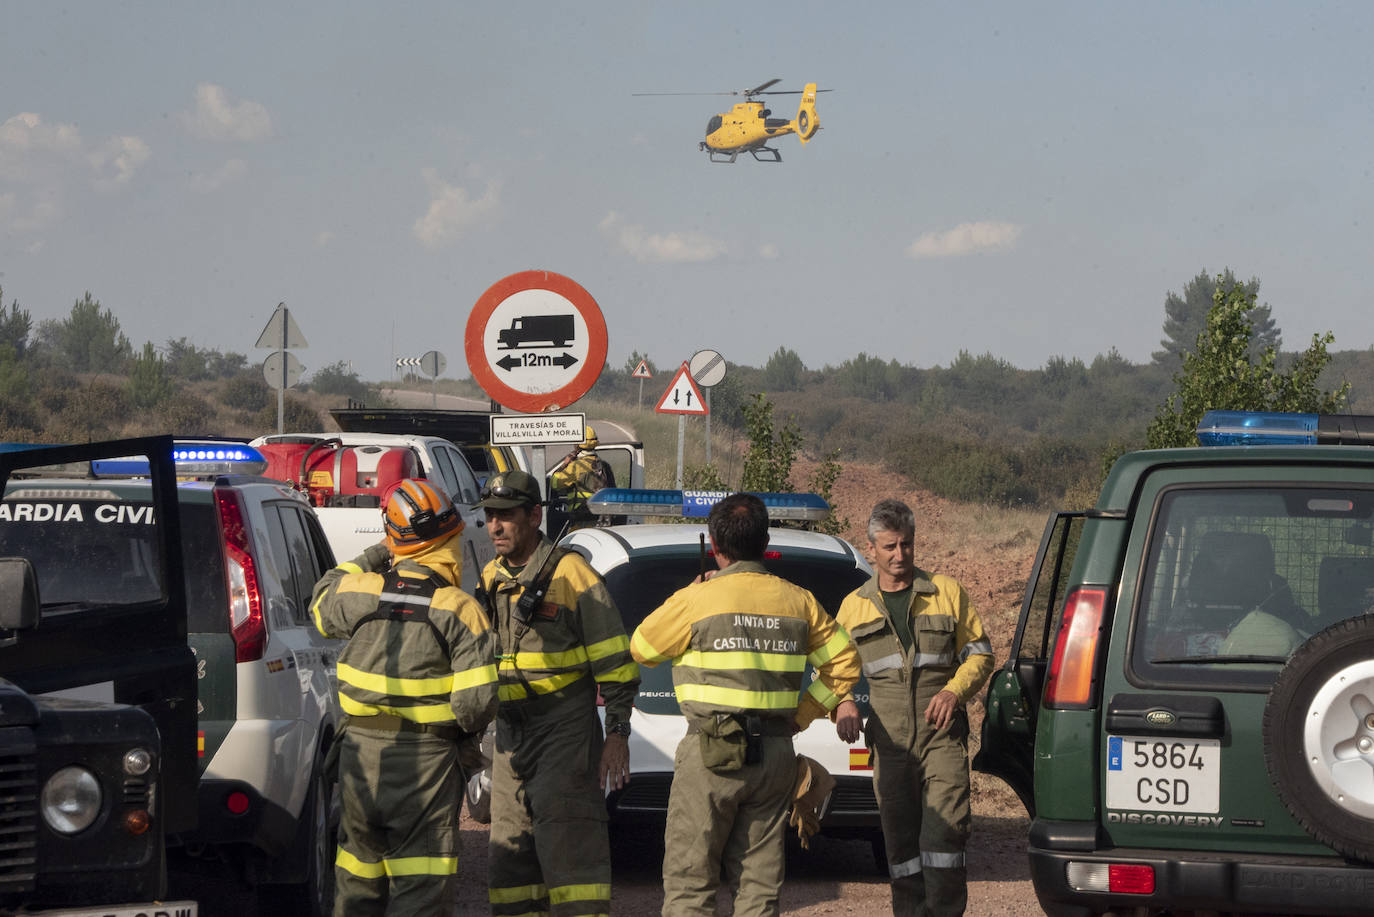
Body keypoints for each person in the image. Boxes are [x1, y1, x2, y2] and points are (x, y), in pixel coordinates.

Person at [630, 492, 860, 917]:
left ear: (715, 546)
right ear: (764, 539)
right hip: (774, 755)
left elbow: (642, 647)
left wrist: (687, 593)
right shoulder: (799, 601)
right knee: (758, 885)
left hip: (710, 754)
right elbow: (845, 664)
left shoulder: (697, 599)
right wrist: (802, 716)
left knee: (691, 881)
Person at [310, 478, 499, 917]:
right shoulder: (459, 609)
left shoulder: (360, 591)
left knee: (358, 877)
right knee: (421, 887)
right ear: (451, 538)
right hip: (426, 763)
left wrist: (380, 552)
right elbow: (477, 704)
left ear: (396, 541)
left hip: (356, 756)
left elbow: (321, 597)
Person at [476, 470, 640, 917]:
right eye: (490, 516)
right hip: (510, 736)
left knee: (572, 857)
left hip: (563, 733)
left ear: (534, 516)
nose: (495, 527)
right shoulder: (491, 576)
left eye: (506, 516)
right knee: (510, 859)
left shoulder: (573, 574)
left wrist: (618, 734)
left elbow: (616, 664)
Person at [832, 499, 994, 917]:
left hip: (941, 737)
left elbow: (980, 655)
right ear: (872, 549)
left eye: (906, 545)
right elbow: (833, 668)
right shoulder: (855, 606)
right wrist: (844, 702)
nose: (899, 555)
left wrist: (954, 691)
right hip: (889, 743)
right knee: (901, 849)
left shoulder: (947, 593)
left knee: (944, 838)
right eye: (889, 547)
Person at [547, 426, 615, 531]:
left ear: (577, 445)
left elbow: (555, 483)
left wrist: (564, 464)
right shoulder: (604, 465)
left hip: (581, 521)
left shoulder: (576, 466)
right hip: (603, 520)